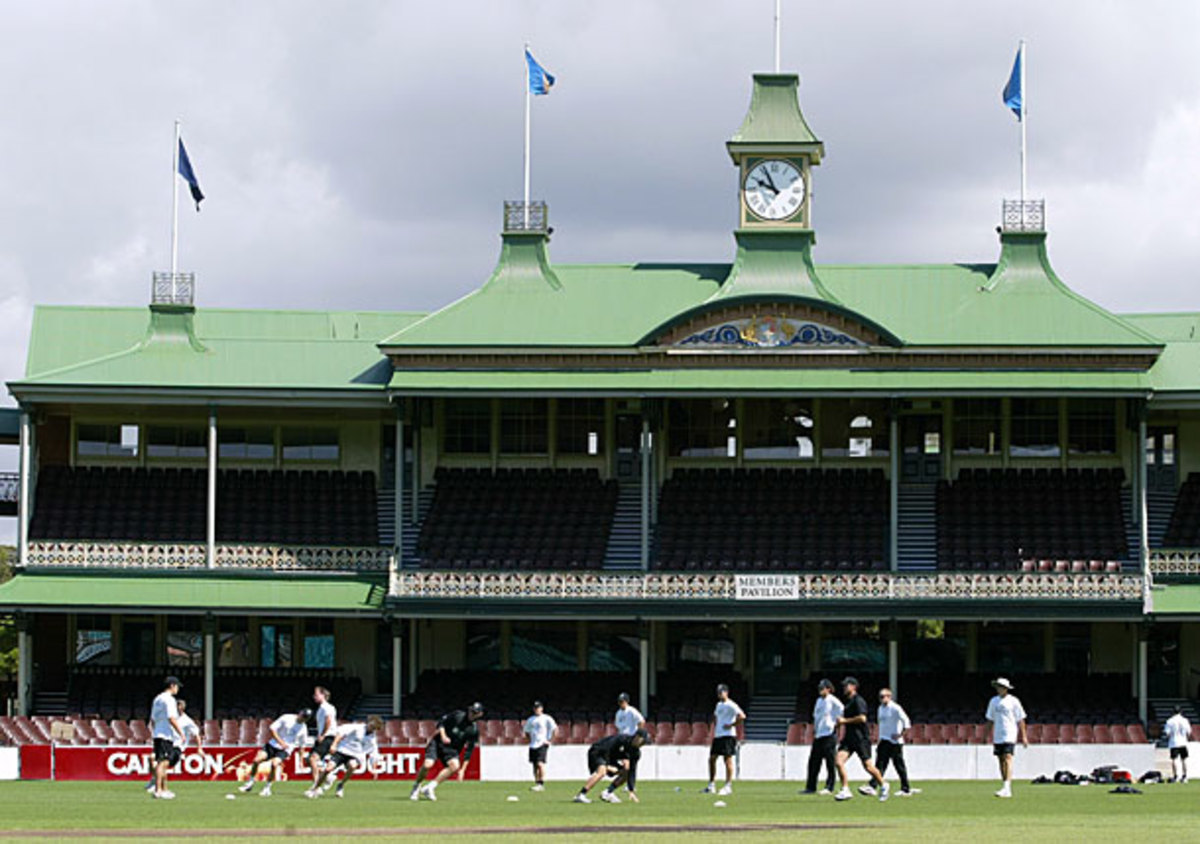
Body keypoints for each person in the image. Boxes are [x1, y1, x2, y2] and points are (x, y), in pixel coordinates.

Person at [410, 702, 485, 801]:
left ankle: (430, 787)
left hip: (451, 749)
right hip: (438, 742)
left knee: (455, 766)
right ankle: (416, 786)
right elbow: (441, 722)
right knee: (428, 764)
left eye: (475, 713)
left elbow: (469, 751)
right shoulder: (458, 715)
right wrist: (443, 735)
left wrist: (463, 770)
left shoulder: (473, 730)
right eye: (471, 711)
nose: (471, 714)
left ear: (480, 714)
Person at [834, 676, 888, 802]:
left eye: (846, 685)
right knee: (838, 761)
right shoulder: (848, 702)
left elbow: (862, 718)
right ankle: (845, 789)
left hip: (861, 739)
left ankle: (884, 785)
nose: (844, 688)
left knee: (868, 766)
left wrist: (844, 721)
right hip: (849, 739)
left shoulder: (858, 701)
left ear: (853, 687)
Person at [237, 708, 313, 797]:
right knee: (256, 760)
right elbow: (272, 729)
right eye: (303, 716)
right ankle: (250, 782)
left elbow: (302, 746)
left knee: (274, 764)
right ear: (300, 713)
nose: (303, 718)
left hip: (285, 750)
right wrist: (281, 742)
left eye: (306, 718)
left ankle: (267, 787)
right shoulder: (286, 718)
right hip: (272, 745)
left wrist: (300, 761)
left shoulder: (303, 729)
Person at [308, 716, 383, 799]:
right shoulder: (356, 728)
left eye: (374, 728)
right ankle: (315, 788)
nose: (371, 729)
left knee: (353, 765)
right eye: (371, 726)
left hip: (355, 755)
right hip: (342, 751)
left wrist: (374, 768)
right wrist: (334, 744)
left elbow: (374, 753)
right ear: (368, 723)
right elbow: (340, 733)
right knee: (328, 769)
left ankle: (341, 785)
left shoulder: (372, 739)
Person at [574, 728, 647, 804]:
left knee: (626, 771)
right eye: (643, 741)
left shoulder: (636, 753)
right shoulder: (621, 739)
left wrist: (631, 790)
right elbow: (606, 749)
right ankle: (581, 795)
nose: (643, 744)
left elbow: (632, 770)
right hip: (598, 751)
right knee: (602, 771)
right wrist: (607, 766)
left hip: (610, 758)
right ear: (637, 737)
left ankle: (607, 793)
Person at [145, 697, 203, 793]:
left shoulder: (187, 720)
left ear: (183, 709)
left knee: (163, 763)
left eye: (180, 708)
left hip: (176, 747)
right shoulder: (169, 717)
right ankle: (154, 779)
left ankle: (163, 789)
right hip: (166, 742)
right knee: (151, 758)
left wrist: (199, 748)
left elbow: (196, 734)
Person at [985, 677, 1027, 798]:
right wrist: (985, 734)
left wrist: (1023, 736)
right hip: (998, 734)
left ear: (1006, 689)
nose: (999, 689)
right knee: (1001, 760)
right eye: (998, 686)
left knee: (1008, 757)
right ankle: (1004, 785)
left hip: (1010, 733)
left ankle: (1007, 787)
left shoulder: (1014, 701)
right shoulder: (993, 701)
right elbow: (990, 719)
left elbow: (1021, 719)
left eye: (1001, 686)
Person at [702, 683, 745, 796]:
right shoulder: (718, 705)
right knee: (712, 759)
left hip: (728, 735)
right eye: (718, 693)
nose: (719, 694)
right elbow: (716, 718)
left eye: (721, 692)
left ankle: (728, 786)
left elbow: (742, 716)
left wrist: (732, 725)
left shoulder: (731, 705)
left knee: (727, 760)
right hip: (718, 736)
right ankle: (711, 785)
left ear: (726, 692)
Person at [875, 688, 918, 796]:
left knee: (899, 765)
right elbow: (882, 726)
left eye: (884, 696)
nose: (882, 698)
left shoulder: (895, 708)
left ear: (889, 696)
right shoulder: (880, 708)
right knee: (880, 764)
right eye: (880, 696)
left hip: (895, 742)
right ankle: (873, 785)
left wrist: (900, 734)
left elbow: (906, 721)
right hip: (884, 740)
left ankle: (905, 788)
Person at [802, 678, 842, 795]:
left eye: (823, 688)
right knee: (813, 762)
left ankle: (829, 787)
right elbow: (816, 716)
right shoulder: (819, 701)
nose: (820, 690)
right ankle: (811, 786)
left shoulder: (833, 700)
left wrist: (835, 722)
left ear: (828, 689)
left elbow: (841, 710)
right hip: (819, 734)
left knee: (830, 762)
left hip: (829, 734)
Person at [149, 676, 185, 800]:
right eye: (177, 686)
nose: (177, 689)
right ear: (172, 686)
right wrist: (181, 733)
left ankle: (164, 789)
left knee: (163, 762)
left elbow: (152, 719)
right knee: (163, 763)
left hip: (158, 733)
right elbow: (171, 718)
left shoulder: (157, 699)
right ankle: (159, 790)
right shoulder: (169, 700)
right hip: (165, 734)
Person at [308, 686, 338, 794]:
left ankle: (316, 785)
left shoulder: (327, 707)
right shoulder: (321, 708)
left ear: (323, 695)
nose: (314, 697)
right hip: (323, 736)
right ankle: (329, 777)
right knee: (312, 761)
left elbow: (328, 720)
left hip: (327, 736)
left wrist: (323, 734)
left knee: (313, 759)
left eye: (316, 694)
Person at [522, 700, 558, 791]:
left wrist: (550, 741)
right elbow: (526, 731)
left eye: (538, 707)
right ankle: (537, 783)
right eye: (535, 708)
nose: (536, 709)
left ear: (542, 708)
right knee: (534, 765)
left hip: (542, 743)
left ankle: (541, 783)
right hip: (533, 745)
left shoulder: (547, 718)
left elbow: (555, 729)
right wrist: (530, 741)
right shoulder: (531, 719)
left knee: (540, 763)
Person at [1165, 705, 1192, 783]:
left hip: (1174, 742)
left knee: (1174, 759)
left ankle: (1176, 776)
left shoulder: (1170, 721)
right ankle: (1185, 776)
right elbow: (1189, 732)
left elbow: (1167, 733)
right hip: (1183, 742)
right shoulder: (1185, 720)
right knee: (1184, 759)